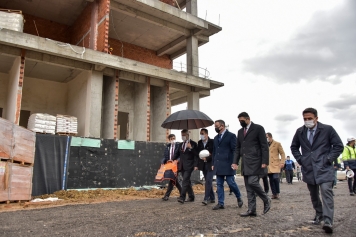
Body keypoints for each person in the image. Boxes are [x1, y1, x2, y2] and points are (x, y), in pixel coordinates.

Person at [291, 108, 343, 233]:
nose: (307, 121)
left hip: (324, 167)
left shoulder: (327, 129)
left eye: (310, 118)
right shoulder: (300, 132)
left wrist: (329, 158)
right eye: (305, 119)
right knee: (314, 195)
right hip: (308, 168)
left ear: (316, 118)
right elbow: (294, 147)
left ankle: (328, 220)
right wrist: (301, 159)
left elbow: (338, 146)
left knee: (326, 192)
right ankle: (319, 214)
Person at [232, 112, 270, 217]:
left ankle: (266, 199)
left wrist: (264, 161)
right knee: (248, 187)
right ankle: (251, 210)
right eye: (239, 121)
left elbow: (264, 146)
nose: (240, 122)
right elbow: (238, 148)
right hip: (245, 163)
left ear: (248, 119)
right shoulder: (240, 132)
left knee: (253, 182)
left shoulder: (258, 128)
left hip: (256, 162)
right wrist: (235, 162)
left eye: (242, 120)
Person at [212, 120, 243, 210]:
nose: (215, 128)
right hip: (218, 164)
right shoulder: (215, 138)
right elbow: (214, 152)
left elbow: (235, 150)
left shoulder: (231, 136)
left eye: (216, 126)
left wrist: (235, 162)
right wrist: (213, 163)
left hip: (229, 164)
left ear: (222, 126)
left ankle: (238, 196)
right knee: (219, 184)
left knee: (231, 183)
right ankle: (220, 203)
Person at [174, 129, 198, 204]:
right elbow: (177, 154)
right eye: (182, 135)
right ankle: (191, 196)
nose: (183, 136)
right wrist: (173, 160)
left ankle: (182, 197)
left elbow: (196, 155)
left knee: (185, 181)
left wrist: (191, 148)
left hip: (189, 165)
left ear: (188, 135)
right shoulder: (181, 145)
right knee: (187, 181)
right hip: (182, 166)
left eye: (184, 135)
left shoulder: (193, 143)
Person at [197, 128, 215, 205]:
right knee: (208, 181)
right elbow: (198, 153)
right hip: (203, 165)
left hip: (211, 164)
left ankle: (206, 198)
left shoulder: (212, 142)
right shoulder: (199, 143)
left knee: (208, 180)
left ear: (207, 134)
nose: (202, 135)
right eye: (201, 133)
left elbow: (214, 154)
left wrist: (207, 158)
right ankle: (212, 197)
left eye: (203, 133)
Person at [161, 134, 182, 200]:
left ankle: (167, 196)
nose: (173, 140)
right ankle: (182, 193)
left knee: (172, 179)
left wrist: (176, 161)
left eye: (174, 138)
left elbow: (180, 156)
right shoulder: (167, 147)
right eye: (172, 139)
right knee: (174, 180)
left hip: (176, 165)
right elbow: (165, 156)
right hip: (169, 165)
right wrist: (163, 162)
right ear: (169, 140)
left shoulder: (178, 146)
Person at [266, 132, 286, 199]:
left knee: (275, 178)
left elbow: (282, 154)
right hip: (268, 165)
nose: (266, 139)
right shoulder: (265, 145)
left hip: (276, 164)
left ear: (270, 137)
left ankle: (277, 192)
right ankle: (274, 194)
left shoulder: (277, 144)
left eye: (267, 137)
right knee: (271, 180)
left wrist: (282, 162)